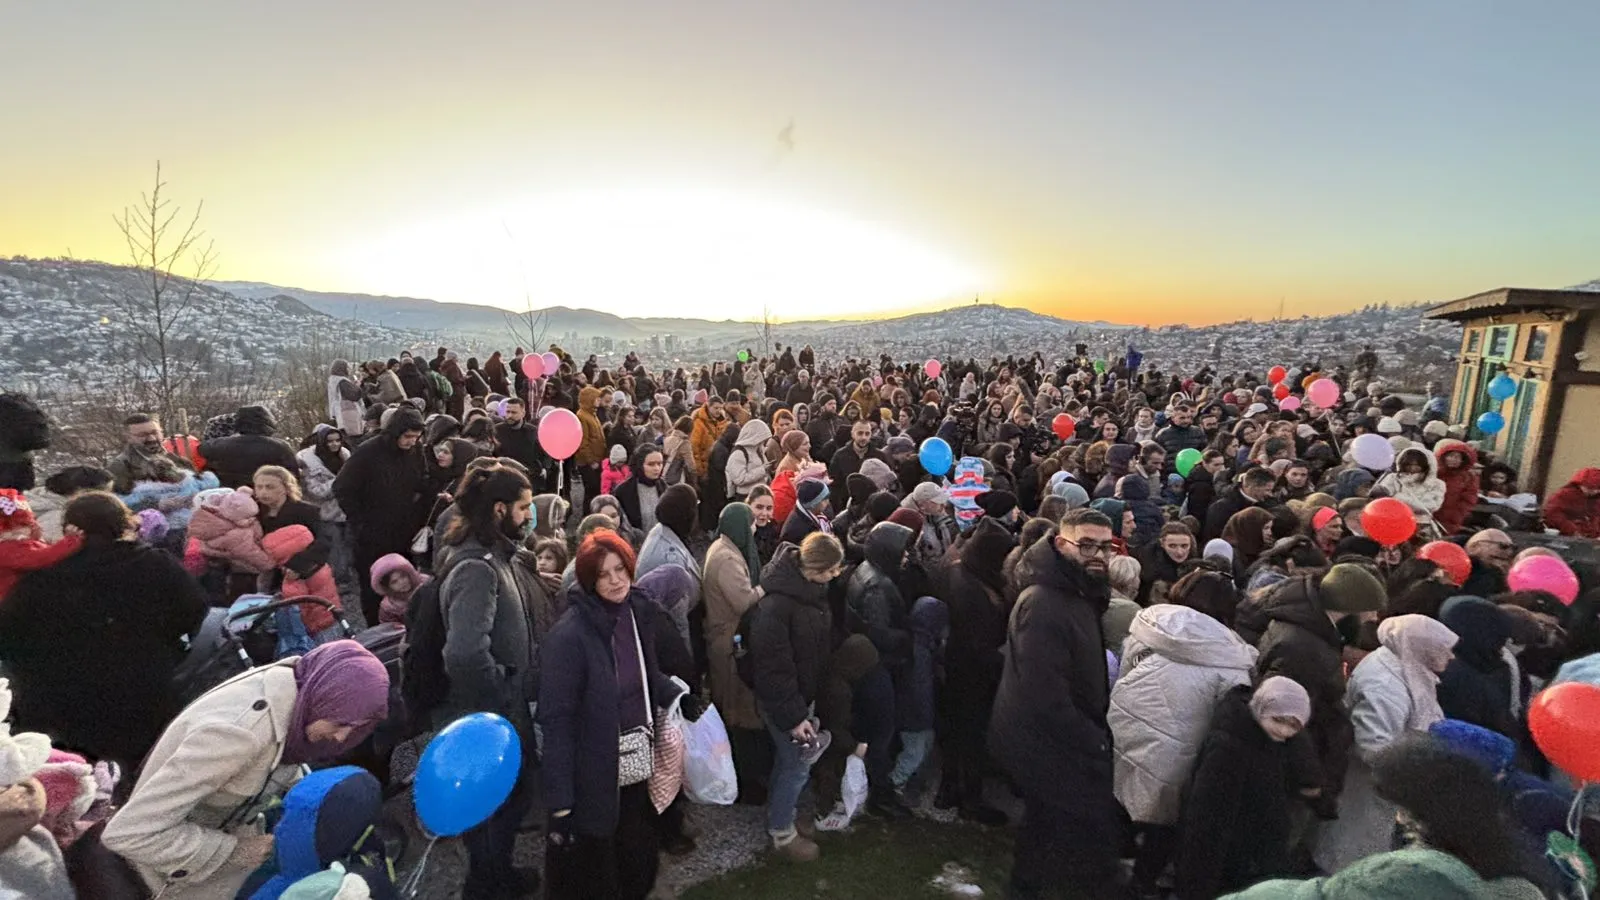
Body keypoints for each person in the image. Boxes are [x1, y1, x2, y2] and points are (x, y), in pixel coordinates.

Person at [102, 640, 389, 900]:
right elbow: (129, 833)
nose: (341, 738)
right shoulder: (236, 736)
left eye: (355, 727)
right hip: (175, 877)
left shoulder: (295, 688)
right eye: (339, 723)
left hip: (230, 840)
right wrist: (235, 852)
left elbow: (274, 762)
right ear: (323, 696)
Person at [0, 491, 207, 772]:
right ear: (124, 524)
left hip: (56, 703)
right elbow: (194, 609)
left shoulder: (41, 575)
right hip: (140, 687)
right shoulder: (156, 564)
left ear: (69, 528)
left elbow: (10, 634)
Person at [540, 530, 694, 899]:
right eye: (604, 574)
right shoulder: (570, 637)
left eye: (620, 569)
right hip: (594, 771)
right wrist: (560, 800)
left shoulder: (637, 612)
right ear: (589, 580)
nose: (614, 581)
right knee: (598, 872)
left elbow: (641, 671)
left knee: (638, 857)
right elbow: (557, 720)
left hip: (637, 762)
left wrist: (672, 691)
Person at [989, 508, 1122, 899]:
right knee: (1056, 828)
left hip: (1059, 736)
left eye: (1104, 546)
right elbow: (1043, 692)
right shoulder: (1046, 602)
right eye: (1086, 545)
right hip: (1048, 741)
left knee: (1046, 828)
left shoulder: (1077, 590)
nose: (1097, 554)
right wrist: (1090, 737)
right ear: (1062, 544)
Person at [431, 465, 540, 897]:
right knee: (497, 806)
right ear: (500, 510)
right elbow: (464, 652)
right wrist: (503, 691)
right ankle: (488, 884)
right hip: (492, 713)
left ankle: (499, 873)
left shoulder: (495, 555)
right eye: (524, 507)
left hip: (502, 707)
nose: (530, 516)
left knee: (510, 801)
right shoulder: (477, 568)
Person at [1109, 591, 1257, 895]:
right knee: (1162, 822)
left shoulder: (1148, 627)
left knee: (1120, 800)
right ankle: (1141, 882)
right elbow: (1224, 718)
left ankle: (1104, 862)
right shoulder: (1233, 663)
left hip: (1127, 730)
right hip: (1179, 754)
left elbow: (1127, 671)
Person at [1315, 614, 1458, 873]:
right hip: (1368, 788)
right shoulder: (1384, 685)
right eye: (1443, 649)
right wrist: (1415, 767)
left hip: (1387, 786)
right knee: (1349, 852)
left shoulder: (1403, 667)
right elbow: (1372, 745)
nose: (1451, 656)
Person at [751, 533, 846, 863]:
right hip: (785, 701)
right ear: (816, 567)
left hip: (799, 695)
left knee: (788, 761)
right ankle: (781, 833)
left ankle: (783, 813)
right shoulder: (777, 606)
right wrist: (794, 717)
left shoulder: (809, 591)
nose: (836, 575)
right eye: (832, 569)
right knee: (796, 766)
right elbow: (773, 669)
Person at [1175, 677, 1315, 900]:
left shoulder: (1275, 743)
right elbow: (1206, 819)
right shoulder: (1230, 747)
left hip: (1250, 857)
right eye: (1279, 720)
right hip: (1225, 860)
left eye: (1294, 726)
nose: (1284, 731)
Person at [934, 517, 1014, 825]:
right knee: (971, 736)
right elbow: (977, 644)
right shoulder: (971, 588)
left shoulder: (961, 570)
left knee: (956, 733)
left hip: (956, 668)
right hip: (972, 674)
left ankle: (949, 787)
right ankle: (970, 799)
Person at [334, 406, 426, 627]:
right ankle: (377, 630)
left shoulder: (415, 450)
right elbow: (342, 487)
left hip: (403, 531)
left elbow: (420, 478)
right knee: (375, 585)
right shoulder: (368, 452)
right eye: (407, 436)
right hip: (371, 535)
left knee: (404, 582)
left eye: (416, 437)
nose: (411, 442)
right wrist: (360, 520)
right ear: (395, 433)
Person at [701, 502, 767, 799]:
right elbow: (742, 601)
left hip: (727, 637)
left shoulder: (724, 547)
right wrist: (766, 586)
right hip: (727, 640)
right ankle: (740, 778)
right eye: (752, 522)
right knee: (735, 710)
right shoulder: (727, 558)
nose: (755, 527)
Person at [198, 405, 298, 490]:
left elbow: (200, 460)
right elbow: (293, 478)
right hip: (267, 496)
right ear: (268, 422)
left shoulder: (215, 446)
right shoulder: (280, 447)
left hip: (228, 498)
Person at [107, 413, 194, 494]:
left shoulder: (176, 458)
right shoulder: (120, 466)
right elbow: (118, 503)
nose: (151, 438)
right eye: (142, 435)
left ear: (162, 432)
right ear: (128, 438)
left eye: (155, 432)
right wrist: (157, 502)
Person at [1203, 467, 1277, 543]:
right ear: (1253, 486)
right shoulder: (1221, 508)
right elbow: (1216, 539)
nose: (1270, 494)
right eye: (1267, 490)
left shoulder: (1267, 504)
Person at [491, 399, 550, 493]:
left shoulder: (534, 432)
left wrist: (544, 468)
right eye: (508, 412)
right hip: (503, 478)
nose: (510, 416)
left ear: (523, 413)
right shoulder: (496, 430)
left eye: (514, 413)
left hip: (529, 479)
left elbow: (545, 454)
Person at [613, 445, 668, 533]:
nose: (657, 468)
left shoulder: (665, 488)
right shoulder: (623, 491)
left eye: (660, 463)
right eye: (651, 464)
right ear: (639, 465)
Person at [1431, 439, 1480, 536]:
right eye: (1451, 456)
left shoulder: (1468, 477)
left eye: (1458, 457)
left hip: (1452, 518)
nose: (1454, 460)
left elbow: (1469, 498)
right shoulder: (1433, 473)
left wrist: (1456, 516)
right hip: (1429, 514)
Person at [1543, 466, 1600, 538]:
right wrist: (1572, 530)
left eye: (1598, 488)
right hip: (1566, 537)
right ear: (1580, 484)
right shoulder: (1564, 495)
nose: (1595, 491)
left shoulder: (1596, 500)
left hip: (1591, 539)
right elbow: (1552, 514)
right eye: (1591, 488)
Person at [326, 359, 366, 436]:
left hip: (338, 411)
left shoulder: (333, 380)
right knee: (354, 435)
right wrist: (357, 386)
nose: (349, 370)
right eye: (348, 368)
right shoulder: (342, 381)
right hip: (348, 413)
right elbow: (354, 396)